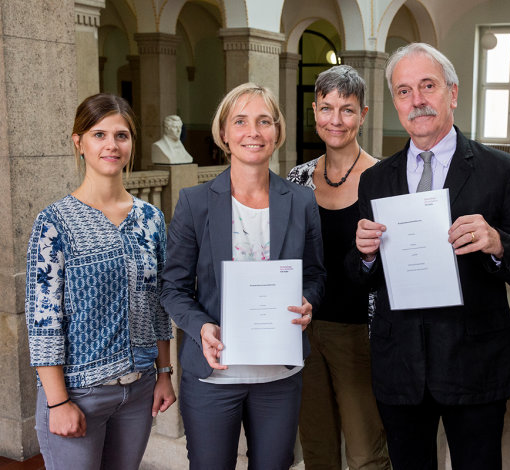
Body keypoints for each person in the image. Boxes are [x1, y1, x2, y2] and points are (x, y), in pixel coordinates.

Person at [347, 42, 510, 469]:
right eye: (403, 91)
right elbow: (358, 278)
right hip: (400, 368)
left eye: (427, 86)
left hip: (476, 367)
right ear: (396, 103)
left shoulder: (501, 171)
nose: (416, 100)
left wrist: (498, 243)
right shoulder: (375, 180)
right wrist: (364, 256)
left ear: (452, 93)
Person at [161, 83, 326, 470]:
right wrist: (200, 326)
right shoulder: (195, 202)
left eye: (264, 121)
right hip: (214, 374)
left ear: (277, 133)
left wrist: (308, 302)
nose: (253, 131)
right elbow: (173, 288)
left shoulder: (302, 201)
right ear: (224, 134)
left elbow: (316, 275)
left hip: (279, 376)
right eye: (241, 121)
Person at [25, 93, 176, 470]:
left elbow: (158, 304)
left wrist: (164, 373)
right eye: (99, 134)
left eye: (121, 135)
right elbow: (44, 322)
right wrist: (58, 402)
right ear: (78, 143)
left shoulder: (151, 219)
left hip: (139, 390)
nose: (111, 145)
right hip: (78, 393)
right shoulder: (54, 223)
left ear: (132, 144)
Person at [287, 65, 391, 470]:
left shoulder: (384, 178)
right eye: (327, 108)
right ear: (314, 111)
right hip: (305, 329)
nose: (335, 120)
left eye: (346, 110)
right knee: (316, 449)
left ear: (363, 115)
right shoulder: (297, 179)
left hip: (361, 334)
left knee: (366, 454)